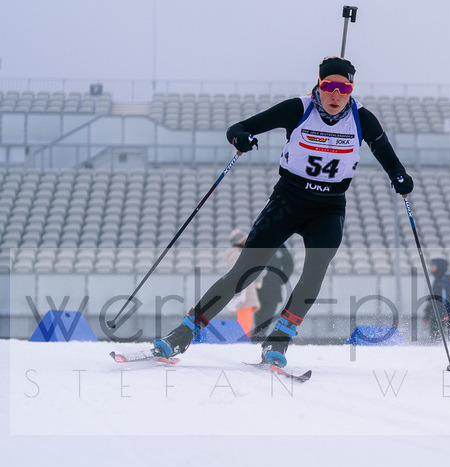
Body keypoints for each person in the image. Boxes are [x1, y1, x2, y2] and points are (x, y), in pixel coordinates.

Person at [152, 56, 413, 366]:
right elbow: (240, 128)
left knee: (314, 273)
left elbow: (389, 158)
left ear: (351, 89)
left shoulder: (362, 118)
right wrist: (242, 138)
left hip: (329, 207)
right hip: (288, 200)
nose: (335, 94)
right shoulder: (298, 108)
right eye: (328, 86)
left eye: (343, 88)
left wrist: (399, 176)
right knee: (244, 273)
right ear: (319, 84)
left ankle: (278, 341)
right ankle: (183, 333)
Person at [251, 242, 293, 340]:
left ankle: (260, 334)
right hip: (258, 287)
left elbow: (289, 265)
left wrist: (281, 279)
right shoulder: (259, 245)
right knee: (258, 314)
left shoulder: (281, 247)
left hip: (274, 288)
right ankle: (258, 335)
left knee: (269, 313)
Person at [223, 228, 260, 336]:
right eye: (244, 239)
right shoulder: (235, 253)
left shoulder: (238, 252)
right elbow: (238, 271)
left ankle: (242, 339)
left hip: (246, 288)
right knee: (245, 318)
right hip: (244, 289)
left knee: (246, 318)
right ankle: (241, 340)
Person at [424, 257, 450, 342]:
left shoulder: (448, 279)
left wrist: (448, 313)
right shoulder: (436, 279)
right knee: (434, 339)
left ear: (440, 266)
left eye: (433, 265)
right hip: (435, 315)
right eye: (431, 265)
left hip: (445, 315)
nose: (431, 267)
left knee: (447, 339)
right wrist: (427, 314)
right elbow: (433, 298)